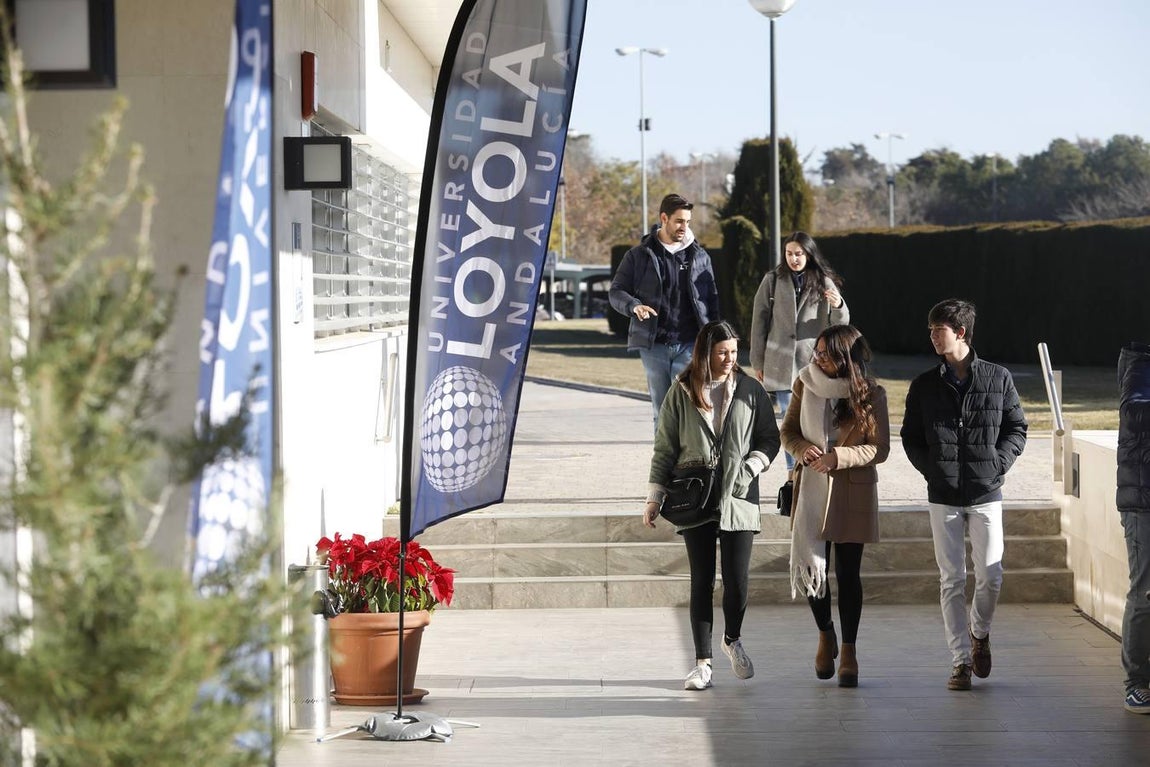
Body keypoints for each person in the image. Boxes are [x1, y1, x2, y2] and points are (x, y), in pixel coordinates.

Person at [643, 320, 780, 690]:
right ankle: (702, 663)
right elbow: (665, 447)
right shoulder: (682, 391)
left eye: (735, 352)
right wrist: (655, 496)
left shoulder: (752, 390)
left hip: (739, 495)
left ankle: (732, 639)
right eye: (723, 352)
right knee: (701, 580)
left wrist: (753, 465)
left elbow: (770, 437)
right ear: (706, 351)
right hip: (695, 496)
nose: (730, 359)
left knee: (737, 582)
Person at [901, 299, 1028, 691]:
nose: (932, 336)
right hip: (943, 494)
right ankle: (959, 661)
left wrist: (997, 463)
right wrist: (933, 469)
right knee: (952, 578)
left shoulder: (998, 378)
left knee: (991, 575)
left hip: (986, 491)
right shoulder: (924, 385)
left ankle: (980, 632)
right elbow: (910, 437)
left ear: (960, 333)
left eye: (939, 329)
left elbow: (1016, 428)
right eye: (930, 329)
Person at [781, 324, 890, 688]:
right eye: (818, 352)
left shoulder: (871, 394)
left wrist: (837, 457)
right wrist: (802, 450)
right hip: (811, 487)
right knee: (815, 569)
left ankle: (849, 650)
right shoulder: (805, 382)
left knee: (847, 574)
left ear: (845, 357)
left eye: (827, 353)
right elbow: (788, 431)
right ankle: (825, 633)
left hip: (851, 489)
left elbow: (879, 448)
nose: (818, 358)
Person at [610, 193, 720, 426]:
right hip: (654, 345)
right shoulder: (639, 255)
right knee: (661, 410)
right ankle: (665, 462)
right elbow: (616, 291)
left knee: (685, 407)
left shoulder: (699, 257)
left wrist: (716, 341)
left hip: (690, 344)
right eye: (679, 221)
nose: (684, 227)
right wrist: (634, 306)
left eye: (688, 222)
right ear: (664, 218)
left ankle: (686, 461)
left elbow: (711, 301)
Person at [749, 231, 849, 469]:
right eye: (789, 253)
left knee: (812, 420)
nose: (793, 258)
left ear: (809, 254)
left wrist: (839, 305)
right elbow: (758, 321)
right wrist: (757, 362)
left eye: (799, 254)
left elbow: (840, 324)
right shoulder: (772, 280)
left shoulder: (823, 280)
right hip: (779, 362)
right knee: (789, 422)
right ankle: (792, 474)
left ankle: (810, 469)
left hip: (813, 363)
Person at [1117, 341, 1150, 714]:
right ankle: (1137, 681)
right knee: (1145, 591)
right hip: (1143, 498)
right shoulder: (1141, 363)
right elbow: (1134, 413)